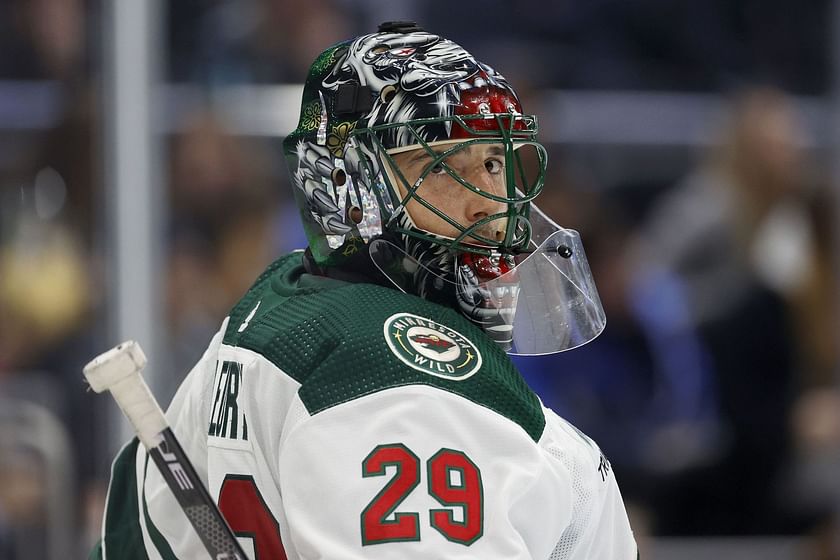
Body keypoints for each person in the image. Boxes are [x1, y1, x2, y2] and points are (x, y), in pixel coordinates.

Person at [91, 22, 637, 559]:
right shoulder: (408, 384)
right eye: (442, 166)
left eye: (494, 162)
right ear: (350, 187)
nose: (491, 205)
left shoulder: (275, 303)